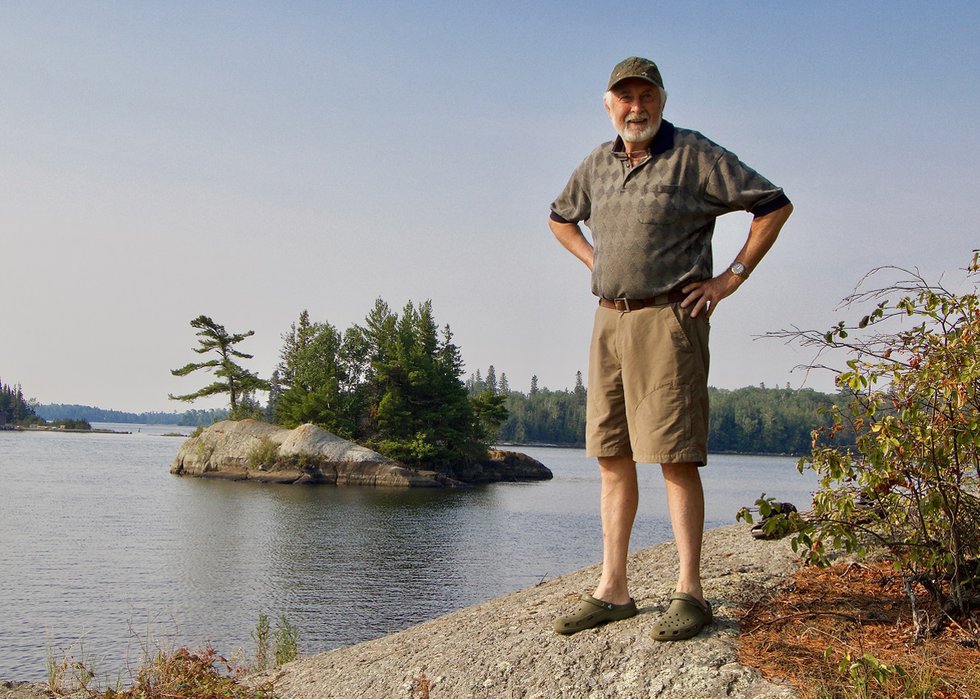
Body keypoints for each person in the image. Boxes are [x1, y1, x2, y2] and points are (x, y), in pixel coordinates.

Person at [549, 56, 792, 641]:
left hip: (669, 321)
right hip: (608, 320)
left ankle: (691, 592)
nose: (637, 107)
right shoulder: (597, 164)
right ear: (609, 104)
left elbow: (773, 204)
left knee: (675, 456)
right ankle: (614, 591)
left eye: (646, 95)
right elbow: (560, 219)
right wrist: (596, 262)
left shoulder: (694, 155)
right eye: (625, 97)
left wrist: (729, 278)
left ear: (662, 99)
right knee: (612, 457)